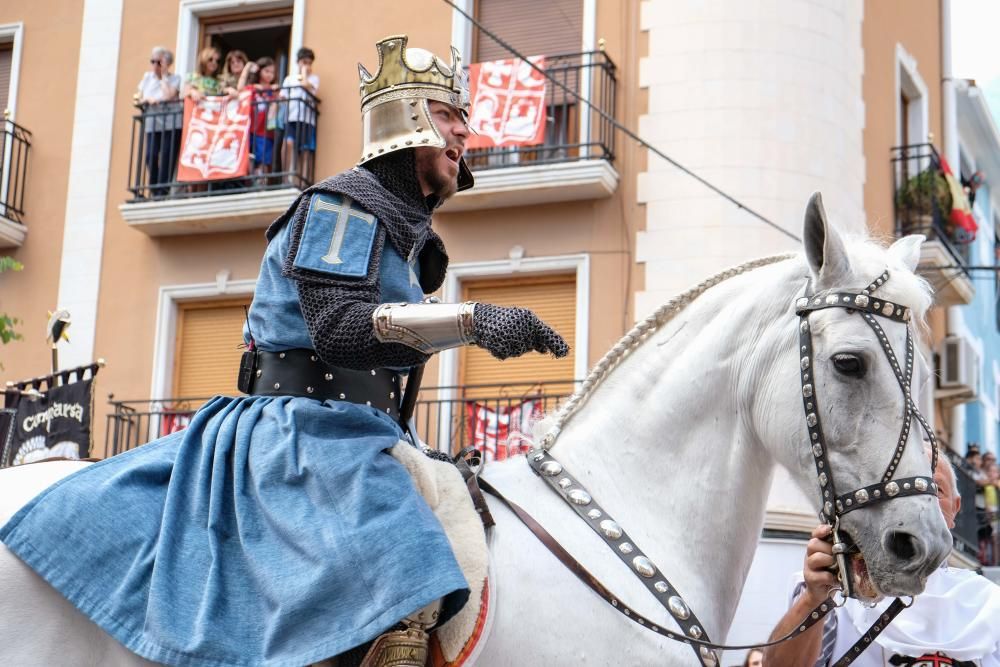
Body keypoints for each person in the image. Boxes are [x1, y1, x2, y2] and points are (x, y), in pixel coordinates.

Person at [0, 35, 568, 667]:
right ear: (405, 118)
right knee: (409, 564)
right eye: (448, 113)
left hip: (360, 430)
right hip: (304, 428)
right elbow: (339, 329)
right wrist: (473, 321)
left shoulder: (401, 230)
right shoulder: (344, 205)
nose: (466, 129)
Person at [763, 448, 1000, 666]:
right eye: (902, 488)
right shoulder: (834, 589)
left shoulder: (989, 603)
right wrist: (814, 600)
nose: (920, 503)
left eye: (935, 489)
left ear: (955, 508)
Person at [135, 46, 181, 196]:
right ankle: (155, 188)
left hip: (170, 122)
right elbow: (138, 97)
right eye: (152, 61)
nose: (155, 65)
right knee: (150, 155)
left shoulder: (175, 79)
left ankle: (162, 190)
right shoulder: (147, 77)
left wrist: (164, 76)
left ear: (166, 62)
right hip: (152, 121)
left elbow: (168, 96)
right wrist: (147, 99)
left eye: (158, 62)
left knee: (167, 155)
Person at [280, 46, 319, 184]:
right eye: (304, 62)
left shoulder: (314, 79)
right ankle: (285, 178)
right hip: (291, 118)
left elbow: (307, 86)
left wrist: (304, 74)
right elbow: (282, 96)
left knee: (305, 150)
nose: (307, 65)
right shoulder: (289, 79)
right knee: (288, 143)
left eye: (309, 63)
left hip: (307, 120)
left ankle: (302, 182)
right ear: (298, 62)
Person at [246, 56, 279, 177]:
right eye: (267, 71)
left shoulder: (274, 91)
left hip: (265, 132)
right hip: (250, 130)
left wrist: (276, 93)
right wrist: (248, 68)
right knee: (248, 158)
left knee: (264, 160)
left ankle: (261, 187)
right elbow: (240, 91)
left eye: (272, 72)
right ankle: (249, 185)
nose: (270, 75)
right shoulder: (252, 88)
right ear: (259, 71)